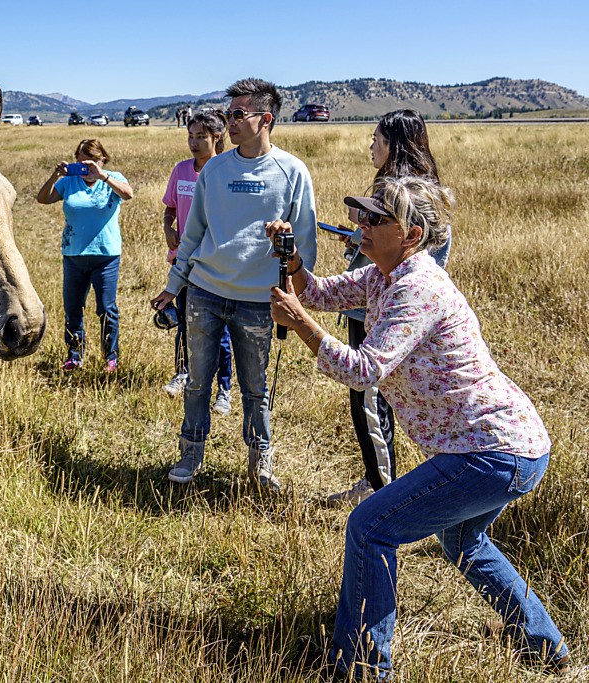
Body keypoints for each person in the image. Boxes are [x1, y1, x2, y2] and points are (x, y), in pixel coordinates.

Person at [267, 175, 570, 680]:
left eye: (375, 219)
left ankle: (361, 669)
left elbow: (363, 370)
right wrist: (293, 261)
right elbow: (318, 292)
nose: (360, 225)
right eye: (361, 215)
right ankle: (545, 646)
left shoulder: (418, 288)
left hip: (494, 452)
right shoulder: (383, 274)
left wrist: (300, 323)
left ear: (412, 234)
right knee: (463, 544)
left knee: (370, 528)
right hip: (506, 448)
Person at [150, 78, 318, 487]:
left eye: (239, 114)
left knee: (255, 389)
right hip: (205, 293)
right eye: (229, 114)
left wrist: (295, 291)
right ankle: (190, 454)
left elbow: (306, 245)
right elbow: (192, 234)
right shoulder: (216, 170)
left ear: (266, 119)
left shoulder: (292, 172)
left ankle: (260, 460)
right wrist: (174, 285)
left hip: (258, 301)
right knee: (197, 381)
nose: (231, 121)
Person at [329, 109, 453, 507]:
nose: (370, 146)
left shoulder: (403, 197)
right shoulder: (421, 191)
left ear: (393, 145)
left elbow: (418, 261)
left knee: (369, 396)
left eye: (377, 139)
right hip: (377, 303)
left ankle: (380, 489)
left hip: (379, 312)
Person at [37, 139, 134, 372]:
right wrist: (55, 176)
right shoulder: (69, 181)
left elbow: (128, 194)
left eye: (90, 163)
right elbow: (43, 198)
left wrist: (103, 176)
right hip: (74, 254)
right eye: (80, 163)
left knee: (106, 308)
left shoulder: (113, 177)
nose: (85, 169)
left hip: (106, 255)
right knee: (73, 308)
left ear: (102, 160)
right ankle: (74, 356)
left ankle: (111, 357)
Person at [160, 111, 234, 415]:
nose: (193, 142)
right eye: (190, 136)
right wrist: (168, 227)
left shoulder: (226, 171)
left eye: (200, 136)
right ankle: (184, 372)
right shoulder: (180, 171)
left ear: (216, 138)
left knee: (222, 331)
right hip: (184, 262)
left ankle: (224, 389)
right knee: (185, 322)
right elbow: (170, 208)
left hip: (216, 264)